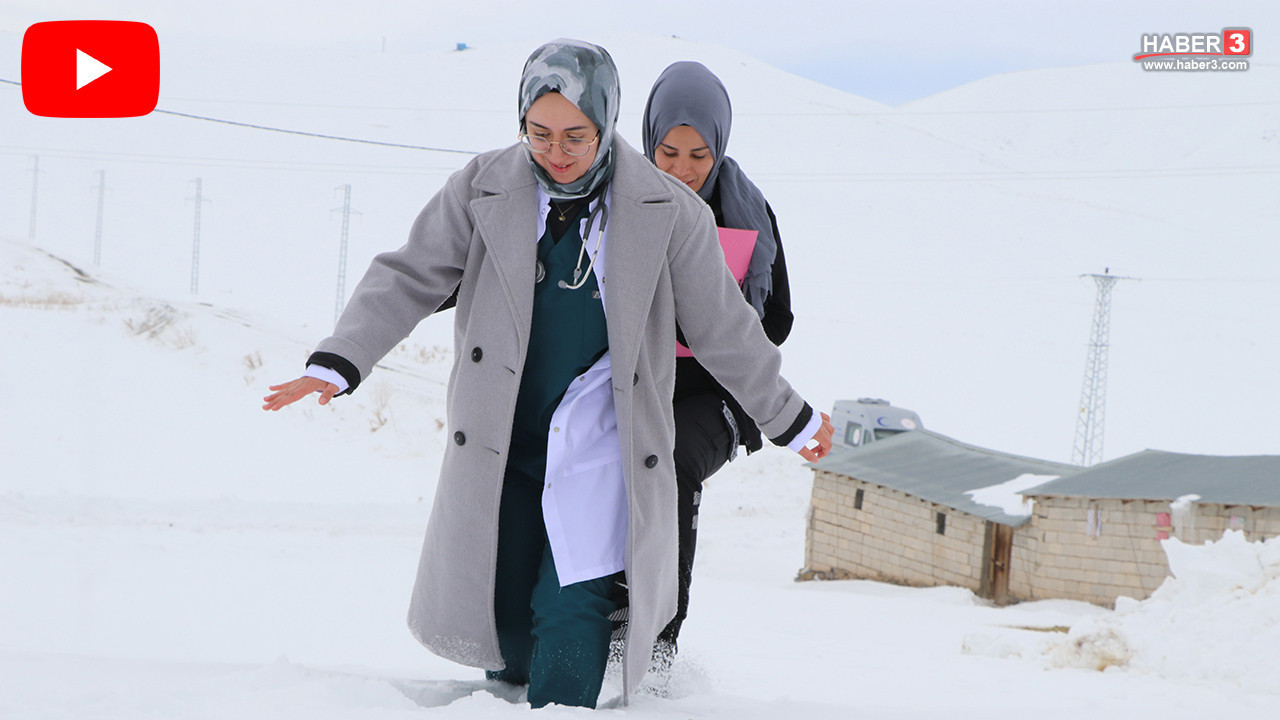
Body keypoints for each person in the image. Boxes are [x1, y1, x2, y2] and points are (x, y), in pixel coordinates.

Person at [262, 39, 833, 710]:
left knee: (572, 603)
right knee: (503, 610)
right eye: (540, 133)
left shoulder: (670, 212)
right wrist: (338, 360)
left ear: (608, 122)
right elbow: (410, 274)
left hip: (598, 444)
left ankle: (567, 704)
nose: (556, 152)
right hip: (504, 439)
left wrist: (789, 418)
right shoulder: (484, 187)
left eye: (576, 136)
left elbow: (726, 329)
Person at [640, 61, 796, 665]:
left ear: (721, 144)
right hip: (637, 378)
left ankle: (656, 646)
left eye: (699, 155)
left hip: (722, 393)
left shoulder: (748, 210)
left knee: (670, 461)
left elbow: (778, 319)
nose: (683, 170)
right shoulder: (622, 202)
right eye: (668, 152)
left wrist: (714, 317)